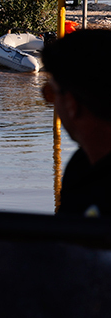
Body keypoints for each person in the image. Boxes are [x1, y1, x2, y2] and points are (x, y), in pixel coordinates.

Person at [42, 30, 111, 217]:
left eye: (49, 93)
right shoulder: (83, 165)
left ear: (72, 104)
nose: (51, 102)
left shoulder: (83, 175)